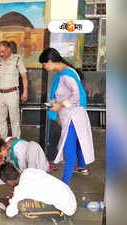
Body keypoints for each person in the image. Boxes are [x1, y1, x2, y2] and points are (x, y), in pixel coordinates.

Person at [39, 48, 95, 184]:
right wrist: (58, 110)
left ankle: (64, 184)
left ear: (51, 61)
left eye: (44, 64)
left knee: (69, 151)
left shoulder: (65, 75)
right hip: (71, 116)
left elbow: (76, 95)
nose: (44, 67)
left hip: (73, 117)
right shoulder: (64, 72)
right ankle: (81, 166)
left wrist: (59, 105)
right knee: (78, 142)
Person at [0, 163, 76, 219]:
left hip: (66, 210)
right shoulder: (29, 171)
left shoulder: (20, 190)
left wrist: (8, 202)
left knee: (22, 206)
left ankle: (60, 216)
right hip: (70, 197)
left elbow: (10, 214)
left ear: (8, 182)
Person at [0, 41, 28, 139]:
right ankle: (3, 140)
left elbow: (24, 76)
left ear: (9, 49)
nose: (1, 54)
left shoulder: (17, 59)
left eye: (3, 51)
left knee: (14, 120)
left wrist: (25, 92)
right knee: (1, 119)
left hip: (12, 93)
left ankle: (16, 142)